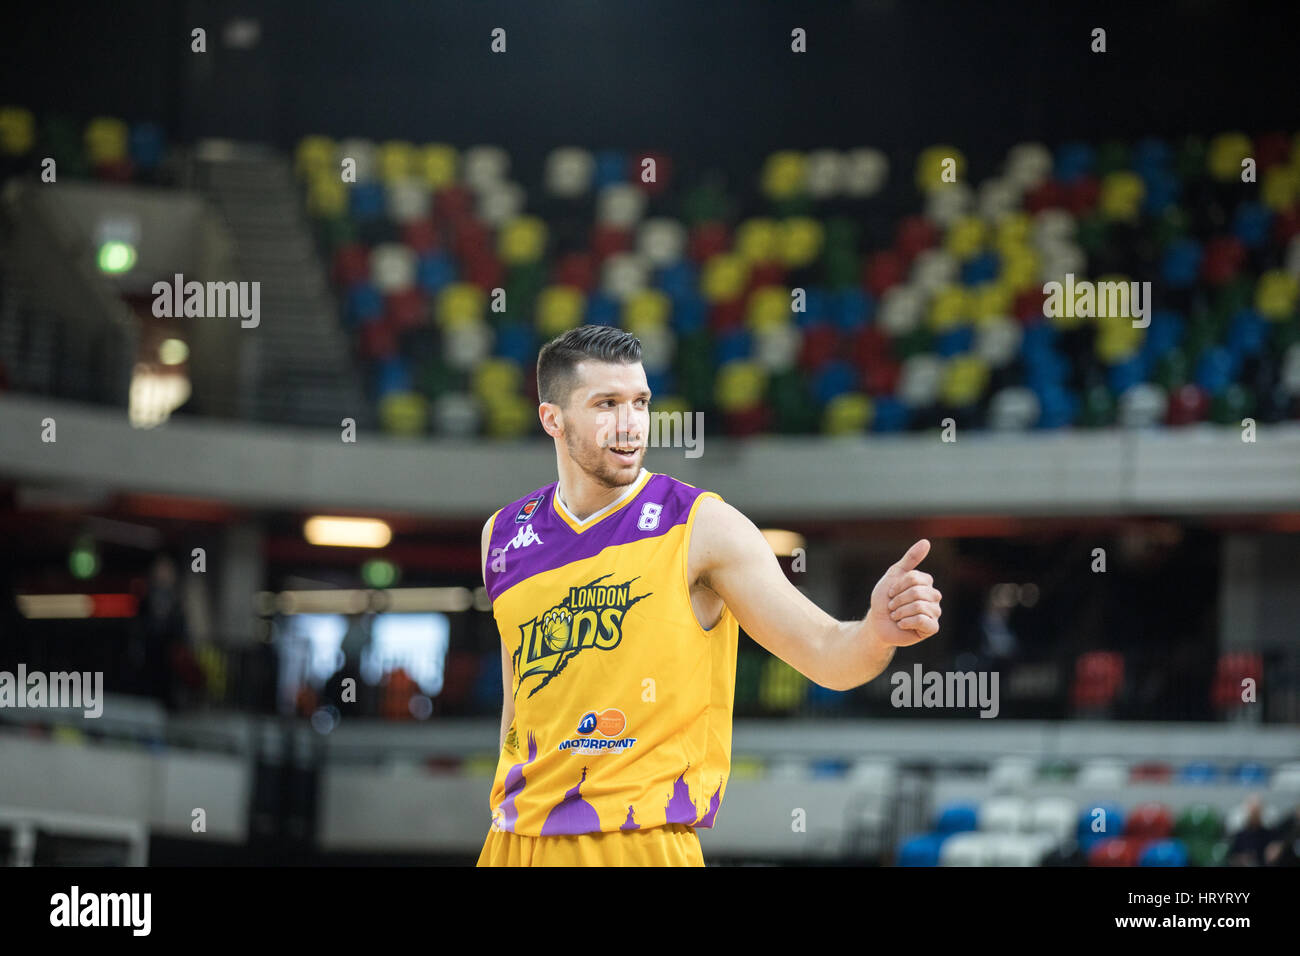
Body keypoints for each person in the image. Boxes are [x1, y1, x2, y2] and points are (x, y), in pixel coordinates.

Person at [475, 326, 942, 867]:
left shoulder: (702, 525)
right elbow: (520, 697)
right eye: (606, 404)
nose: (629, 424)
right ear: (552, 419)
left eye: (641, 403)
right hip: (512, 840)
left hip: (639, 840)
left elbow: (827, 654)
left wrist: (876, 630)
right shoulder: (504, 534)